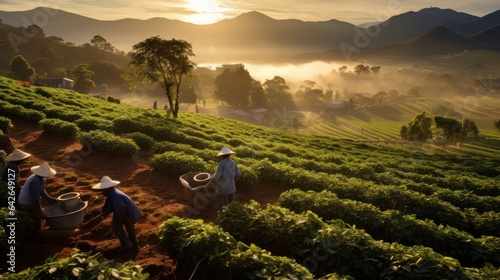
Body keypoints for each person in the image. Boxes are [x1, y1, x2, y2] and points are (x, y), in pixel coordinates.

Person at [91, 176, 141, 251]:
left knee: (116, 225)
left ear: (107, 188)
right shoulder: (113, 192)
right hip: (128, 211)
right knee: (129, 227)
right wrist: (103, 214)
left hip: (128, 212)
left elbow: (120, 209)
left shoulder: (115, 195)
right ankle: (134, 244)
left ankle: (127, 245)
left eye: (102, 190)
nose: (101, 192)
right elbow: (111, 207)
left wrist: (116, 221)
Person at [18, 162, 58, 231]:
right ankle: (37, 232)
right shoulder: (35, 181)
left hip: (30, 200)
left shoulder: (42, 178)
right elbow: (35, 200)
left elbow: (42, 191)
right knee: (38, 218)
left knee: (40, 212)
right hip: (25, 202)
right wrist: (39, 212)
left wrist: (50, 199)